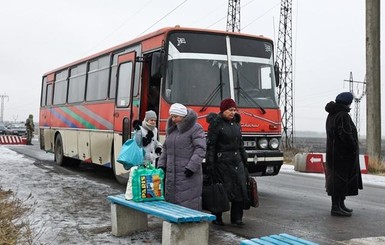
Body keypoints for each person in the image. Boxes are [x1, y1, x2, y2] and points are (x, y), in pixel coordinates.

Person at [205, 98, 248, 226]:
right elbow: (211, 146)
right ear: (223, 110)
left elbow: (240, 145)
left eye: (234, 110)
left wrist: (244, 160)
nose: (232, 112)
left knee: (240, 189)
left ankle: (237, 218)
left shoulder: (236, 124)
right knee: (221, 190)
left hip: (237, 162)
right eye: (230, 110)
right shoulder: (216, 124)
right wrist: (210, 165)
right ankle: (217, 217)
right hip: (221, 162)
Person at [157, 103, 206, 210]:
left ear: (183, 116)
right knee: (172, 202)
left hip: (187, 173)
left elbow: (200, 149)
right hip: (172, 173)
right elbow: (166, 149)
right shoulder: (173, 130)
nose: (173, 119)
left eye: (176, 116)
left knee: (188, 202)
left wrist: (191, 167)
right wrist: (161, 165)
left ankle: (189, 224)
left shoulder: (196, 128)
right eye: (172, 116)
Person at [325, 92, 363, 217]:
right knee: (339, 181)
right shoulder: (342, 115)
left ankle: (340, 205)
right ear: (348, 102)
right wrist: (352, 148)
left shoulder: (332, 114)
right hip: (342, 155)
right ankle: (336, 207)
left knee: (339, 180)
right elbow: (345, 134)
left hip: (334, 153)